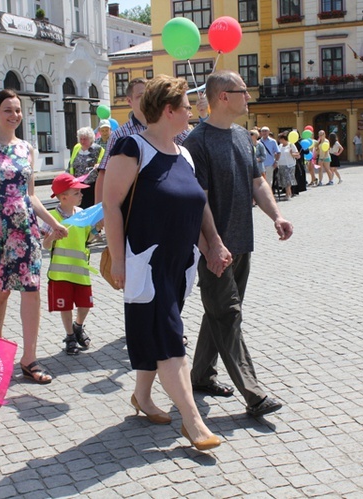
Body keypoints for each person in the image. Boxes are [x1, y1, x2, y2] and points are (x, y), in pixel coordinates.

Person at [103, 75, 221, 451]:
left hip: (178, 265)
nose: (191, 111)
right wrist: (119, 260)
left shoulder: (182, 153)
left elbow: (195, 207)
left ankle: (142, 396)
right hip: (146, 264)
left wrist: (211, 245)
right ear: (169, 110)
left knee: (156, 335)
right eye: (187, 106)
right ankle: (193, 420)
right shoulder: (131, 147)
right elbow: (111, 205)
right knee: (170, 340)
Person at [183, 69, 293, 418]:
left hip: (242, 243)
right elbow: (197, 201)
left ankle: (200, 375)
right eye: (243, 91)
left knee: (220, 313)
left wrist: (276, 215)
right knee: (228, 315)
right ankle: (254, 393)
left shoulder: (244, 137)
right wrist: (212, 245)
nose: (249, 96)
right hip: (213, 248)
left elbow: (258, 181)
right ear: (223, 97)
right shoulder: (196, 143)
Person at [0, 89, 68, 385]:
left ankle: (29, 358)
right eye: (8, 110)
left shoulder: (27, 148)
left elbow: (31, 195)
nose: (14, 115)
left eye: (18, 110)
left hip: (26, 230)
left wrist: (52, 223)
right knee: (1, 290)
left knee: (31, 290)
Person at [95, 78, 207, 204]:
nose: (146, 100)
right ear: (129, 101)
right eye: (140, 96)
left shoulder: (171, 126)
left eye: (149, 95)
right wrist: (99, 213)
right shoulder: (120, 136)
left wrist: (203, 116)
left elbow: (197, 143)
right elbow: (104, 173)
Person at [43, 173, 94, 355]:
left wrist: (97, 231)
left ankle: (78, 326)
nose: (81, 195)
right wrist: (51, 236)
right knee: (65, 306)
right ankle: (70, 336)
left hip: (81, 270)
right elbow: (45, 245)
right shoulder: (52, 217)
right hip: (60, 273)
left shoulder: (82, 215)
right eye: (77, 192)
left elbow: (89, 238)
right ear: (64, 197)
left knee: (85, 304)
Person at [68, 127, 103, 208]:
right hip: (77, 184)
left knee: (90, 206)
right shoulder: (77, 147)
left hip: (91, 184)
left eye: (85, 139)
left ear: (91, 139)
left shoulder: (97, 149)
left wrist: (99, 165)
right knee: (78, 206)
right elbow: (71, 163)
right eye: (81, 139)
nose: (82, 141)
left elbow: (103, 163)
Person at [275, 131, 298, 199]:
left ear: (283, 139)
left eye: (280, 139)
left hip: (289, 165)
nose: (279, 140)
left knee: (288, 180)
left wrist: (292, 154)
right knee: (284, 181)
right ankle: (288, 193)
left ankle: (288, 194)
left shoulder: (291, 145)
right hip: (281, 165)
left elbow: (297, 155)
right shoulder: (280, 146)